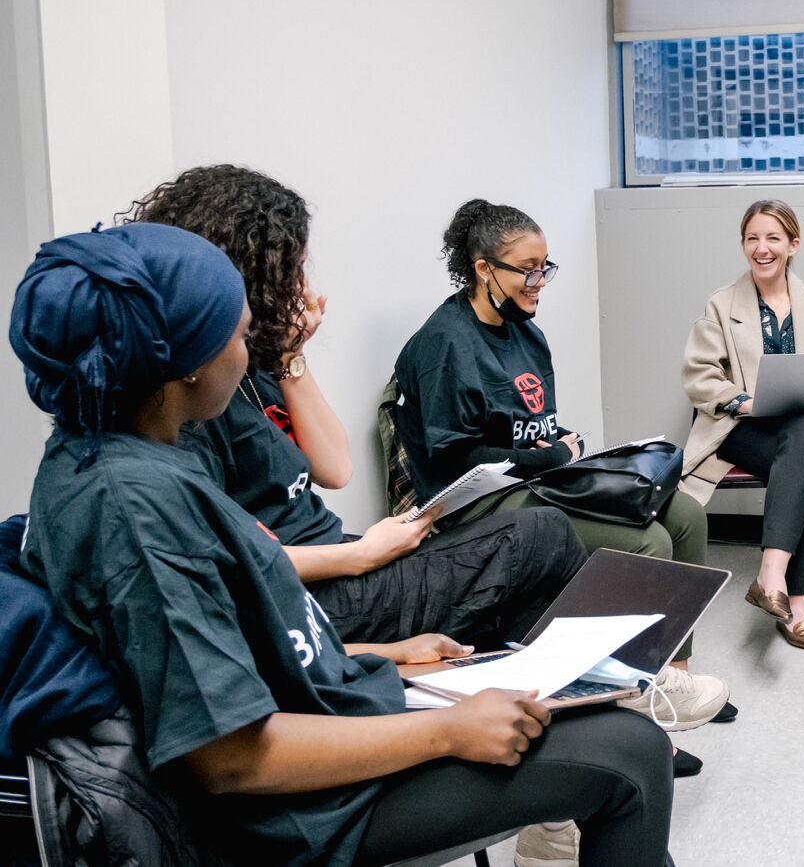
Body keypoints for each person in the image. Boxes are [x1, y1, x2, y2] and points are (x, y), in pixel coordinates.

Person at [9, 223, 673, 866]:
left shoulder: (129, 459)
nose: (248, 354)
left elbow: (229, 649)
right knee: (629, 755)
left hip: (326, 704)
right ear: (182, 364)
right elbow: (230, 757)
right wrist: (445, 730)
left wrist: (384, 656)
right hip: (297, 811)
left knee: (586, 718)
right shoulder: (132, 508)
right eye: (238, 336)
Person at [122, 165, 584, 655]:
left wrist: (290, 358)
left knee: (517, 575)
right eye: (291, 271)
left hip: (337, 555)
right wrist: (359, 555)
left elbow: (334, 469)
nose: (302, 286)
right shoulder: (197, 402)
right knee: (543, 536)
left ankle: (531, 688)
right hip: (310, 590)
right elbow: (231, 562)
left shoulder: (255, 367)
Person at [390, 199, 731, 757]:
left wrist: (562, 449)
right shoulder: (445, 345)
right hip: (476, 506)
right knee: (646, 541)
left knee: (687, 515)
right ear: (483, 269)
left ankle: (673, 678)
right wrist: (545, 459)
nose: (538, 281)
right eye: (527, 268)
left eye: (545, 267)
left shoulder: (527, 334)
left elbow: (534, 428)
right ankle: (633, 706)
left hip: (537, 483)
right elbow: (454, 463)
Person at [681, 199, 804, 652]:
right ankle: (797, 606)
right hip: (739, 430)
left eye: (773, 238)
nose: (762, 248)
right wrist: (742, 400)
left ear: (793, 245)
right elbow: (699, 377)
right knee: (803, 457)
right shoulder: (721, 304)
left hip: (797, 430)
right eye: (752, 238)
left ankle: (771, 578)